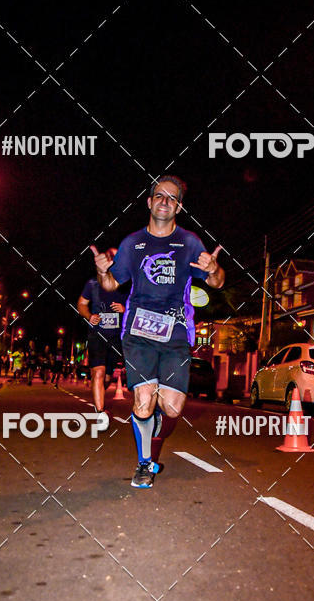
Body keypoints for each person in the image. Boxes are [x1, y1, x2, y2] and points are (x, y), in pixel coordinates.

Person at [91, 176, 224, 488]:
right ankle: (144, 463)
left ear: (179, 207)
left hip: (176, 331)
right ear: (149, 202)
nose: (165, 201)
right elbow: (111, 284)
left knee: (172, 406)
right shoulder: (132, 243)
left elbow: (216, 283)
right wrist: (101, 270)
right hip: (138, 331)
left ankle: (154, 420)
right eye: (160, 195)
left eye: (172, 197)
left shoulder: (189, 242)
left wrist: (213, 269)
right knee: (143, 399)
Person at [77, 251, 127, 415]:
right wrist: (89, 316)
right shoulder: (93, 283)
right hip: (97, 335)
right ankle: (100, 413)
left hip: (116, 338)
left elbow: (139, 307)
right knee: (98, 372)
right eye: (109, 257)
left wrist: (125, 309)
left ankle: (98, 392)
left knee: (107, 378)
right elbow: (81, 304)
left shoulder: (127, 284)